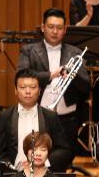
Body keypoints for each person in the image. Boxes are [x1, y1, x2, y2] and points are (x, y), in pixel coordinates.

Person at [19, 8, 90, 148]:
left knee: (65, 154)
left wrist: (73, 76)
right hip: (37, 114)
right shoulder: (29, 50)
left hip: (67, 117)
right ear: (43, 28)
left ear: (65, 30)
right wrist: (51, 74)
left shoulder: (75, 52)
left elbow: (86, 86)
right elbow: (21, 76)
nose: (55, 31)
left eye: (59, 27)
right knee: (36, 152)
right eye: (51, 27)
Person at [0, 68, 74, 172]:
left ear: (39, 90)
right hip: (14, 176)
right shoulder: (5, 116)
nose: (28, 91)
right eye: (23, 87)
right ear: (15, 90)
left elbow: (64, 149)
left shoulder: (50, 116)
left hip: (44, 175)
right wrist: (14, 171)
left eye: (33, 87)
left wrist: (44, 165)